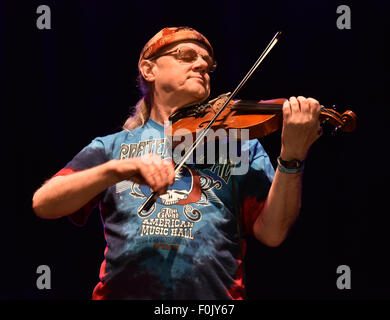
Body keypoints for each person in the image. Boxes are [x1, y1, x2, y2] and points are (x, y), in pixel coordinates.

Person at [32, 26, 322, 300]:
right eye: (187, 56)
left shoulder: (240, 144)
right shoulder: (112, 146)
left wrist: (291, 157)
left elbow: (272, 233)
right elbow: (45, 203)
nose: (201, 66)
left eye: (208, 65)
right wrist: (115, 170)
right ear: (149, 69)